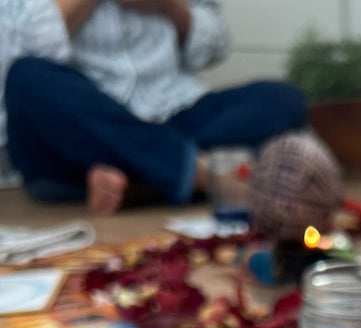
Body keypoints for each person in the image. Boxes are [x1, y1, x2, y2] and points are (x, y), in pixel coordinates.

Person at [0, 0, 307, 214]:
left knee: (282, 101)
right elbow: (11, 56)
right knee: (25, 78)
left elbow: (215, 47)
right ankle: (195, 174)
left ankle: (142, 185)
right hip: (85, 135)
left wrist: (168, 5)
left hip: (174, 111)